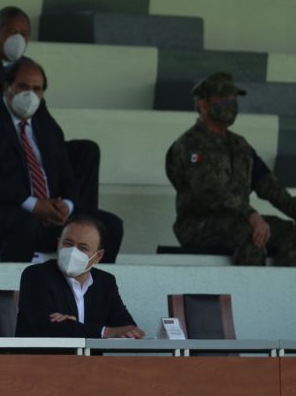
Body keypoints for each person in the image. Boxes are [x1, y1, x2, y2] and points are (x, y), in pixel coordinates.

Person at [0, 57, 124, 262]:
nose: (30, 94)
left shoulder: (46, 126)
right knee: (26, 224)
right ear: (6, 86)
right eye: (23, 86)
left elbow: (66, 174)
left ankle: (91, 290)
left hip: (45, 218)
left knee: (109, 226)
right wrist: (33, 205)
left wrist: (66, 206)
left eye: (37, 89)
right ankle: (13, 291)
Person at [0, 6, 100, 210]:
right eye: (11, 32)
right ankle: (37, 208)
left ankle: (77, 216)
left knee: (85, 151)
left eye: (24, 34)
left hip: (26, 143)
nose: (18, 39)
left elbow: (45, 122)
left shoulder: (28, 69)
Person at [166, 72, 296, 266]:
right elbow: (213, 193)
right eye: (223, 99)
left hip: (240, 220)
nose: (231, 104)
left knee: (292, 234)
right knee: (252, 237)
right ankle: (251, 296)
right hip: (199, 225)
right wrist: (252, 216)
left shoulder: (239, 145)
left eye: (233, 99)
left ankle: (286, 294)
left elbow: (269, 186)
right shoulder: (190, 145)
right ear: (203, 105)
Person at [15, 215, 144, 338]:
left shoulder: (105, 282)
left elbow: (128, 329)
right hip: (42, 360)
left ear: (98, 256)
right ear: (58, 243)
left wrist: (73, 326)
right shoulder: (37, 275)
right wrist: (104, 332)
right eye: (68, 243)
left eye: (82, 248)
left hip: (90, 361)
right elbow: (44, 326)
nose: (72, 252)